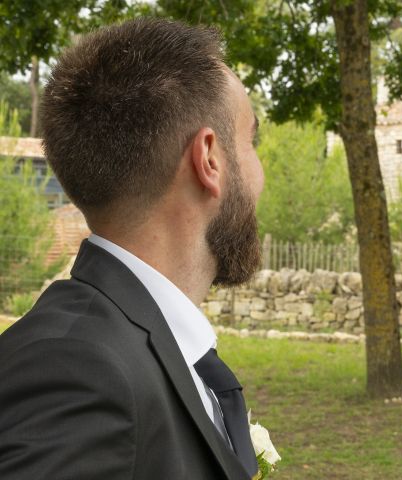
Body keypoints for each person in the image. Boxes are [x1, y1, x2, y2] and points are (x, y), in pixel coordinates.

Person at [0, 18, 264, 480]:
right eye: (251, 141)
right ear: (209, 160)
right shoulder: (79, 371)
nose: (262, 173)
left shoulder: (129, 344)